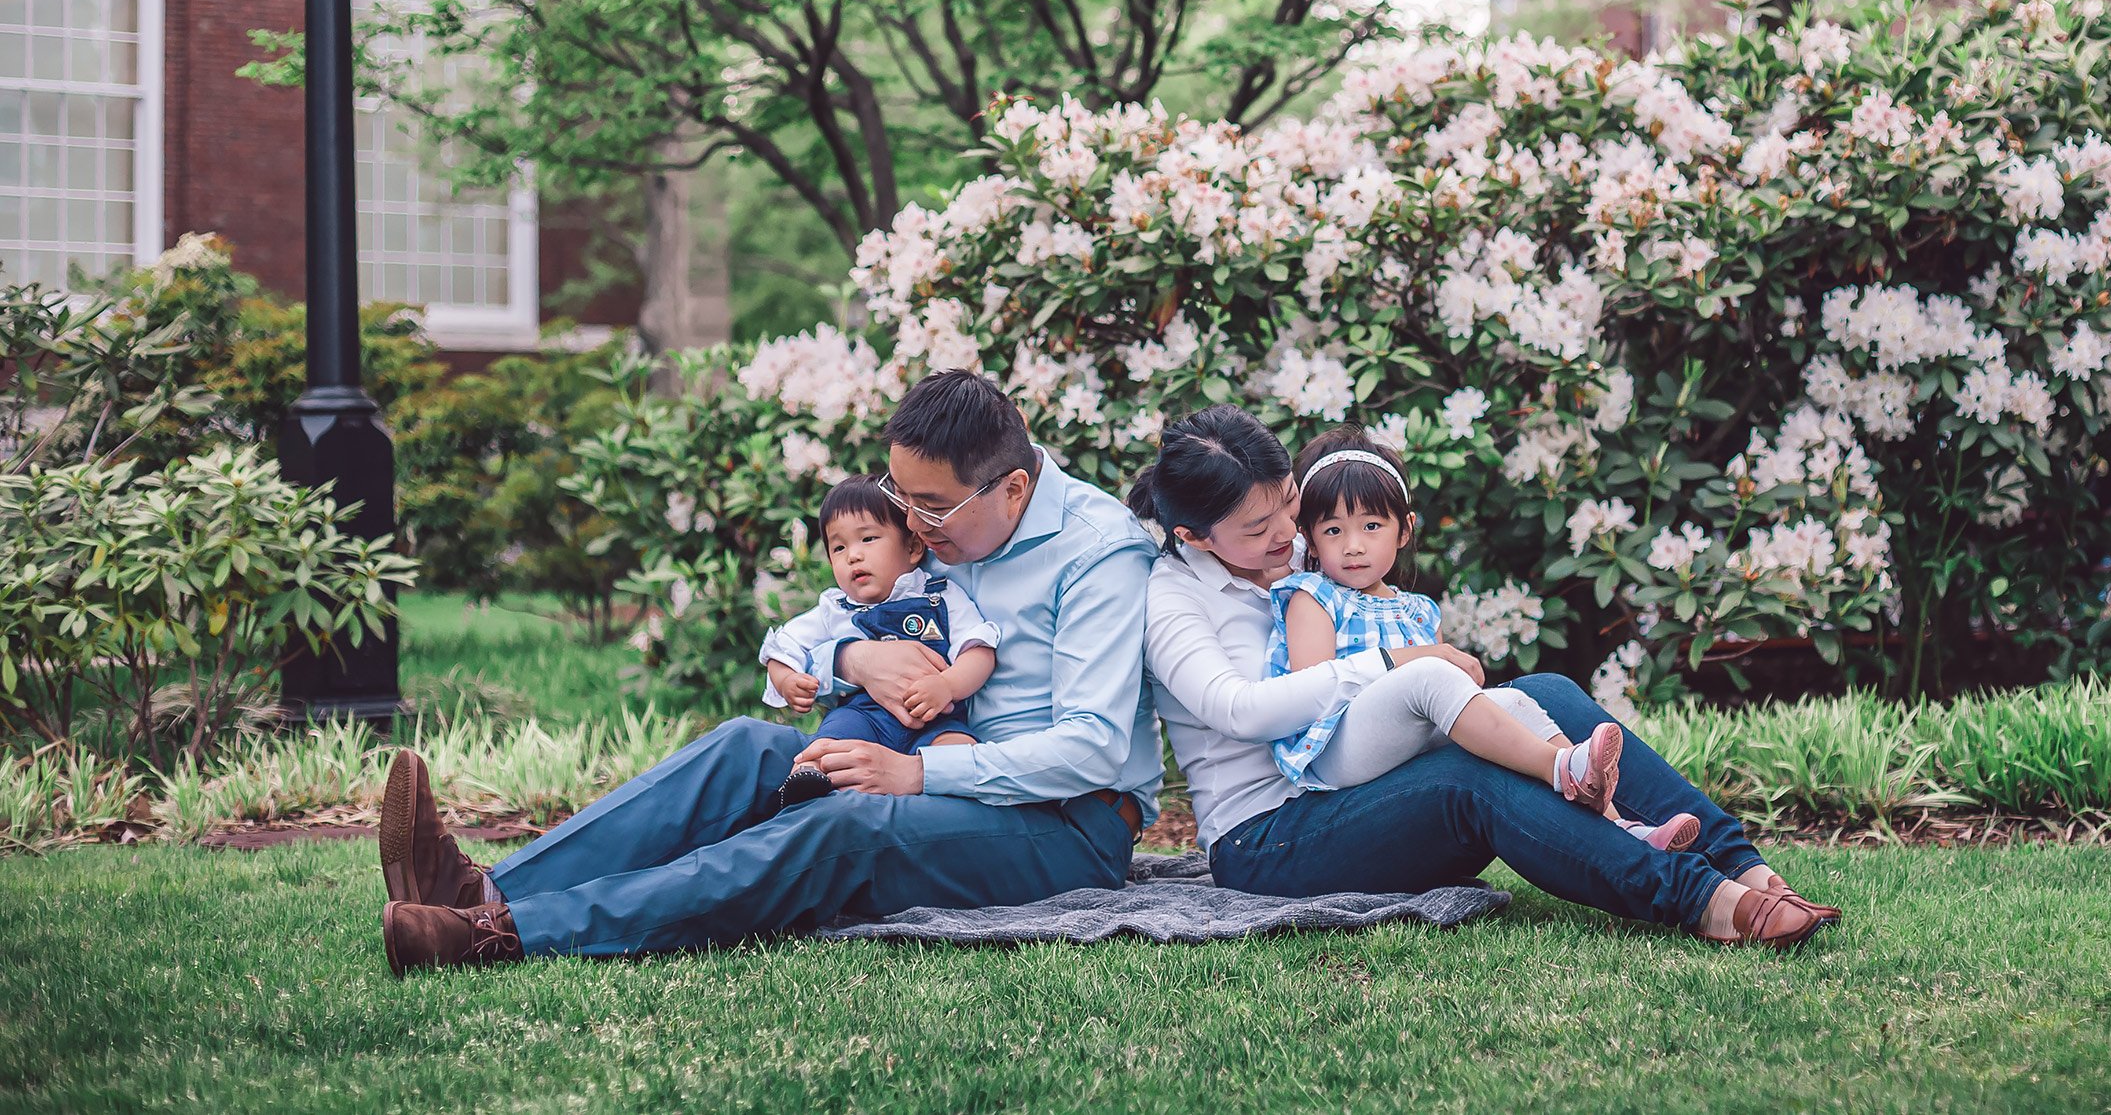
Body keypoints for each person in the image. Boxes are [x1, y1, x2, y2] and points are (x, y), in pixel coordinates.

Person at [375, 370, 1161, 972]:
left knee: (840, 826)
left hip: (1065, 825)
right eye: (901, 496)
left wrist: (915, 775)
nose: (910, 525)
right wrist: (853, 655)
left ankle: (509, 934)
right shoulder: (956, 522)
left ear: (1014, 487)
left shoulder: (1098, 552)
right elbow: (837, 629)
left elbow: (1091, 748)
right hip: (929, 757)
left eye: (931, 508)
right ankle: (481, 888)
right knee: (747, 745)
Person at [1138, 405, 1839, 949]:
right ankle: (1703, 902)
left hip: (1358, 774)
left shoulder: (1295, 550)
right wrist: (1394, 663)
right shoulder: (1174, 598)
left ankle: (1743, 866)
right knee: (1470, 782)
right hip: (1269, 839)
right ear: (1198, 536)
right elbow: (1236, 709)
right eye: (1260, 523)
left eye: (1289, 502)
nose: (1289, 530)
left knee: (1548, 693)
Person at [1272, 425, 1699, 852]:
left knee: (1514, 702)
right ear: (1309, 537)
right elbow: (1312, 690)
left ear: (1404, 531)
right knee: (1431, 675)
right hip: (1334, 750)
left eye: (1370, 526)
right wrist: (1428, 658)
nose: (1353, 546)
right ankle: (1561, 766)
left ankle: (1622, 830)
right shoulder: (1314, 598)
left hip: (1405, 750)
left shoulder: (1419, 610)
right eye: (1333, 531)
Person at [756, 475, 1000, 813]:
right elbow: (784, 646)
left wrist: (946, 684)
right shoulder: (835, 608)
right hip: (862, 717)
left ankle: (944, 810)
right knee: (829, 745)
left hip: (934, 716)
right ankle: (807, 782)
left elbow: (979, 650)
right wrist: (786, 679)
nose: (853, 556)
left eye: (868, 539)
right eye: (838, 548)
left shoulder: (939, 596)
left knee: (959, 745)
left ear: (914, 547)